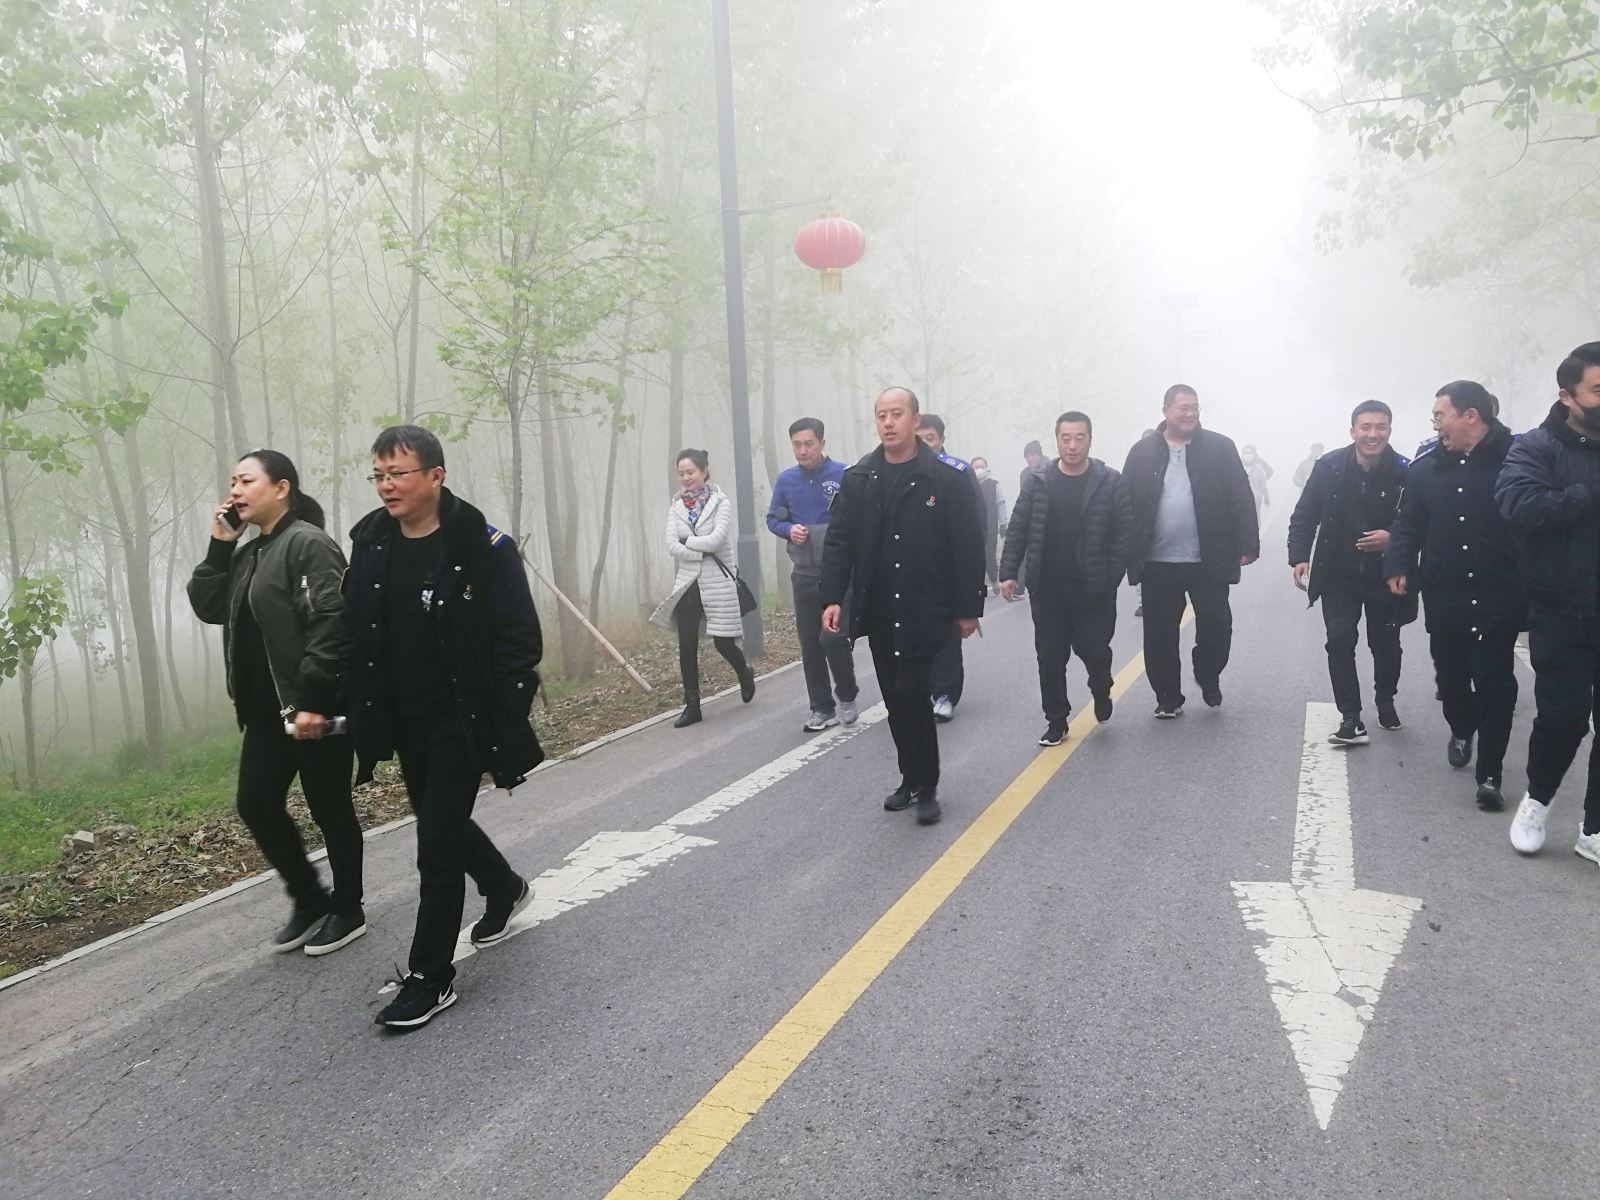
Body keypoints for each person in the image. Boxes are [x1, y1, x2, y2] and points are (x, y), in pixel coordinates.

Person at [343, 425, 542, 1029]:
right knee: (444, 823)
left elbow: (518, 637)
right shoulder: (371, 544)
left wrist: (505, 709)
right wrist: (347, 700)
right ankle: (503, 886)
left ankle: (430, 976)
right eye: (378, 475)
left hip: (463, 718)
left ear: (436, 475)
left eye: (398, 473)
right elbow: (355, 631)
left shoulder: (483, 547)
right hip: (403, 719)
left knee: (435, 845)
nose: (386, 486)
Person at [187, 450, 365, 957]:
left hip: (315, 706)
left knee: (330, 808)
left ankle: (348, 909)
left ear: (281, 487)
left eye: (246, 481)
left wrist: (314, 699)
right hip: (269, 714)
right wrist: (220, 545)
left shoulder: (308, 544)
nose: (235, 490)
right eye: (233, 482)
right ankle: (310, 899)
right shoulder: (250, 554)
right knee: (256, 803)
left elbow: (331, 622)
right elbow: (209, 606)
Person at [820, 387, 986, 826]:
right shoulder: (860, 478)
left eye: (896, 414)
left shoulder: (944, 478)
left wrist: (968, 609)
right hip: (879, 609)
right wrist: (832, 598)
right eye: (881, 415)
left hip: (925, 606)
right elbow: (839, 542)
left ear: (915, 420)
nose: (888, 423)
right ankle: (908, 779)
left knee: (913, 692)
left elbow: (967, 546)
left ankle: (927, 786)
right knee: (895, 697)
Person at [1385, 381, 1523, 810]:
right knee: (1451, 679)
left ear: (1471, 416)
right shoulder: (1424, 470)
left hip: (1500, 592)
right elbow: (1408, 524)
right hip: (1446, 591)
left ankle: (1490, 775)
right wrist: (1398, 564)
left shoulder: (1518, 462)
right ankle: (1462, 727)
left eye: (1440, 415)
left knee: (1496, 682)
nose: (1435, 425)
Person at [1496, 342, 1600, 864]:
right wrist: (1590, 492)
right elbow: (1521, 507)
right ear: (1567, 396)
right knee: (1563, 718)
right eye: (1598, 390)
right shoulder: (1534, 448)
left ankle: (1594, 829)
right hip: (1562, 609)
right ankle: (1537, 802)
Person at [1123, 385, 1259, 718]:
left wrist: (1248, 542)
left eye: (1194, 408)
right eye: (1183, 408)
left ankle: (1207, 672)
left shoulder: (1220, 448)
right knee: (1159, 635)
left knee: (1217, 626)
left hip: (1208, 559)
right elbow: (1125, 504)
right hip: (1157, 561)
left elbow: (1240, 495)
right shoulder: (1142, 452)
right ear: (1166, 410)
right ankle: (1167, 696)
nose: (1190, 414)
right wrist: (1124, 551)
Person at [1000, 411, 1133, 745]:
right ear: (1057, 441)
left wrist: (1111, 576)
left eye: (1079, 438)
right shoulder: (1039, 481)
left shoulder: (1110, 481)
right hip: (1048, 589)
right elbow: (1018, 527)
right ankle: (1056, 720)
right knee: (1050, 657)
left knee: (1095, 651)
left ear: (1090, 440)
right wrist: (1009, 573)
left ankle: (1101, 688)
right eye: (1066, 438)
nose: (1072, 445)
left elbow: (1124, 534)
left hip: (1093, 589)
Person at [1287, 401, 1415, 746]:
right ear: (1353, 431)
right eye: (1365, 427)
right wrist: (1299, 557)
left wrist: (1393, 539)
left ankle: (1385, 699)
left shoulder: (1406, 472)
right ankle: (1351, 717)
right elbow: (1304, 515)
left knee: (1385, 644)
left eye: (1381, 427)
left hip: (1386, 574)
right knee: (1340, 639)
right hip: (1338, 573)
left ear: (1390, 430)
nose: (1373, 434)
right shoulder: (1329, 467)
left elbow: (1420, 522)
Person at [651, 448, 756, 727]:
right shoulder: (676, 507)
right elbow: (671, 546)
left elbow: (716, 540)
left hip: (717, 581)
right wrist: (697, 547)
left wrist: (687, 542)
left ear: (704, 472)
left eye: (691, 472)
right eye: (681, 473)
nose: (686, 478)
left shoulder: (720, 502)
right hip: (688, 583)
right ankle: (692, 704)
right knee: (686, 645)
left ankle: (743, 671)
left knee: (723, 642)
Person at [766, 418, 859, 732]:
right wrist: (788, 529)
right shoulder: (786, 480)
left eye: (809, 444)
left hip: (839, 574)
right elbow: (772, 519)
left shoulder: (844, 475)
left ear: (822, 443)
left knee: (832, 638)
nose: (803, 450)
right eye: (797, 445)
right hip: (803, 575)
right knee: (810, 644)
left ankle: (847, 694)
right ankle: (822, 708)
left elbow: (859, 519)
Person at [915, 413, 984, 722]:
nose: (924, 444)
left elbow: (974, 528)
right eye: (919, 438)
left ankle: (945, 693)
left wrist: (972, 592)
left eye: (930, 438)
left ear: (941, 440)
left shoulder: (957, 472)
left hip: (947, 570)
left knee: (946, 635)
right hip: (912, 571)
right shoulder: (901, 470)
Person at [969, 456, 1006, 593]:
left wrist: (1003, 523)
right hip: (972, 527)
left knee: (990, 556)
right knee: (975, 556)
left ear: (986, 468)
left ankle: (994, 579)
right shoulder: (967, 485)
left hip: (990, 526)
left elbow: (1000, 504)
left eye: (981, 467)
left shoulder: (994, 485)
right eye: (976, 467)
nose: (979, 470)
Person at [1014, 440, 1044, 598]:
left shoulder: (1051, 469)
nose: (1030, 459)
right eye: (1027, 456)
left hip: (1046, 518)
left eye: (1033, 455)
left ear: (1040, 455)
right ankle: (1020, 585)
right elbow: (1023, 497)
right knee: (1024, 552)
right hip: (1029, 518)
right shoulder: (1025, 474)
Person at [1241, 444, 1274, 520]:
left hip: (1256, 497)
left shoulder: (1259, 465)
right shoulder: (1238, 465)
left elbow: (1269, 472)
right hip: (1241, 496)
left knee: (1255, 516)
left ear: (1254, 453)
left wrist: (1263, 479)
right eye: (1245, 453)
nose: (1247, 455)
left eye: (1249, 452)